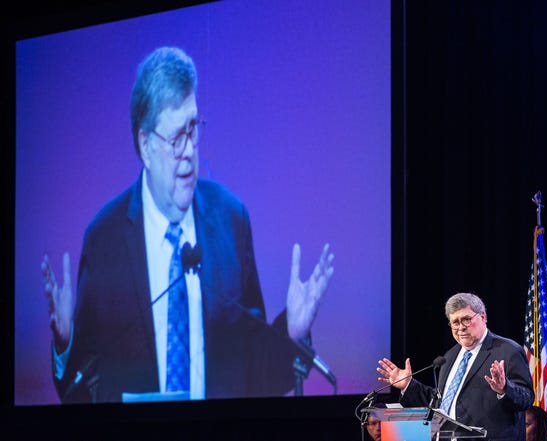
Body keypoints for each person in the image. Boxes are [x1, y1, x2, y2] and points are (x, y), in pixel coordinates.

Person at [41, 46, 335, 403]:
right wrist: (64, 342)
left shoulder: (231, 220)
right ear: (145, 146)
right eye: (176, 137)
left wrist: (291, 333)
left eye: (193, 129)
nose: (188, 150)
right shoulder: (105, 239)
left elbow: (253, 373)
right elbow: (79, 389)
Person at [376, 292, 534, 441]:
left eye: (466, 319)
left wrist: (504, 388)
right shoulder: (450, 356)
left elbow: (526, 398)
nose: (461, 327)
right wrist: (408, 385)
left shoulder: (508, 351)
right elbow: (440, 402)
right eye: (455, 322)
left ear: (483, 317)